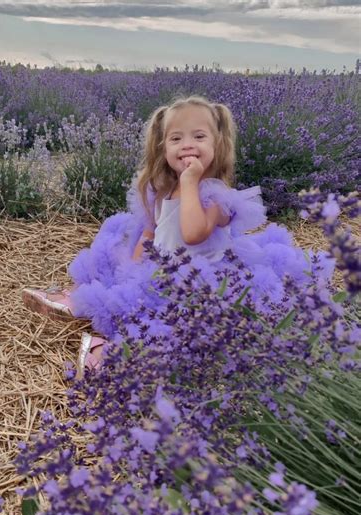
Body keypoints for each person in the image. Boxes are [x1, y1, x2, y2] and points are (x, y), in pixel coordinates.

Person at [22, 96, 334, 377]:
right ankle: (76, 299)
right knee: (118, 267)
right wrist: (128, 273)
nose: (187, 145)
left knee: (178, 327)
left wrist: (191, 183)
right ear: (163, 148)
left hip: (202, 280)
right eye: (176, 138)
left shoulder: (217, 196)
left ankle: (110, 347)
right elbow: (150, 231)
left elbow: (193, 234)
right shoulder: (161, 190)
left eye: (199, 137)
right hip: (159, 270)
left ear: (217, 145)